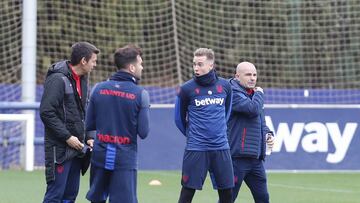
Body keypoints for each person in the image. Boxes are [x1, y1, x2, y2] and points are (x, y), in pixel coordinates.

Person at [85, 44, 150, 203]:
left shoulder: (98, 88)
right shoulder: (141, 94)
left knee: (97, 200)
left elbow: (88, 125)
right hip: (124, 158)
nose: (142, 67)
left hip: (100, 155)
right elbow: (144, 132)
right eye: (140, 64)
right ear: (132, 67)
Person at [40, 41, 100, 202]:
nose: (95, 65)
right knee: (55, 196)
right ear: (83, 61)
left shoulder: (83, 80)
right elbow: (46, 112)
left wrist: (89, 136)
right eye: (93, 61)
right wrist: (67, 137)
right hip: (59, 149)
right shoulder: (57, 79)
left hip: (77, 149)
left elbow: (82, 113)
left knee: (70, 196)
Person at [175, 48, 234, 203]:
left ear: (211, 65)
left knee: (227, 193)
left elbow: (226, 112)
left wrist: (218, 131)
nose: (196, 68)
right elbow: (178, 119)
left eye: (200, 64)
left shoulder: (225, 86)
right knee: (187, 193)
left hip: (221, 147)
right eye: (194, 64)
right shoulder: (186, 89)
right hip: (196, 148)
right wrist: (193, 135)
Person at [227, 61, 275, 203]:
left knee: (263, 198)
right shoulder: (232, 93)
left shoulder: (255, 95)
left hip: (255, 159)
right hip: (237, 159)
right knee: (228, 199)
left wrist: (267, 134)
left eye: (254, 75)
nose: (252, 78)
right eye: (248, 74)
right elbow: (252, 109)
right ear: (237, 76)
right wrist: (260, 93)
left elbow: (261, 122)